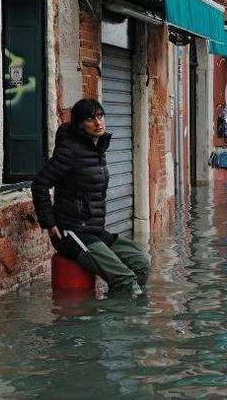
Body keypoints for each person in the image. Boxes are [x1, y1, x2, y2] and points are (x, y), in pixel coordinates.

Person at [31, 98, 149, 296]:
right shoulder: (69, 151)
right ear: (79, 123)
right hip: (71, 232)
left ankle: (119, 315)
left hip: (94, 230)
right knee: (125, 280)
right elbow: (40, 184)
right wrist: (49, 223)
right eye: (90, 118)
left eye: (100, 116)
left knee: (141, 263)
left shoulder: (97, 149)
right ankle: (111, 322)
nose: (98, 123)